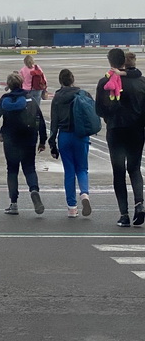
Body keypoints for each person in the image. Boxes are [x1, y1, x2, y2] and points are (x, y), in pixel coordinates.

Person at [95, 48, 145, 227]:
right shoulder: (141, 82)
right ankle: (139, 204)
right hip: (136, 130)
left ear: (110, 62)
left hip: (116, 130)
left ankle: (124, 214)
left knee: (118, 172)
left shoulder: (105, 82)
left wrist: (110, 114)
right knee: (134, 168)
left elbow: (99, 110)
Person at [0, 72, 47, 215]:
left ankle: (14, 203)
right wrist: (43, 141)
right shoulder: (29, 99)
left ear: (9, 85)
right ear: (22, 83)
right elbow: (40, 121)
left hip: (10, 140)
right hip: (29, 138)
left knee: (12, 170)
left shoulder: (5, 100)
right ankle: (34, 189)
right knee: (29, 168)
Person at [48, 68, 92, 218]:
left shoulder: (57, 97)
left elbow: (54, 123)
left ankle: (72, 207)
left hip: (64, 136)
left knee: (69, 171)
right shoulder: (83, 94)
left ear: (61, 82)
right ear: (73, 80)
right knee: (82, 168)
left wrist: (52, 143)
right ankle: (85, 194)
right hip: (81, 135)